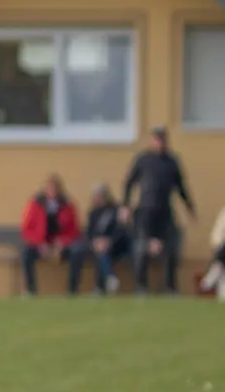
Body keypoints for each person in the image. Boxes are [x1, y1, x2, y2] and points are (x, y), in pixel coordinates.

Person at [120, 126, 195, 295]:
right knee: (141, 248)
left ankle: (170, 287)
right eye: (158, 139)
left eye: (163, 140)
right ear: (152, 141)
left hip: (165, 212)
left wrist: (190, 207)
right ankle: (141, 287)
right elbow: (129, 183)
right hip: (145, 211)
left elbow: (181, 187)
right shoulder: (143, 160)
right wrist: (125, 206)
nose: (160, 143)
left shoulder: (172, 162)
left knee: (170, 248)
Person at [18, 173, 81, 295]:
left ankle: (72, 291)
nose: (51, 191)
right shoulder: (35, 205)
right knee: (26, 253)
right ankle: (31, 290)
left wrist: (61, 242)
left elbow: (74, 231)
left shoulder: (67, 205)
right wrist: (40, 243)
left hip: (60, 245)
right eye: (49, 188)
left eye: (54, 188)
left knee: (76, 253)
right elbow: (26, 230)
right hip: (40, 244)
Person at [79, 182, 130, 294]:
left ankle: (100, 286)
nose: (97, 199)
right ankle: (109, 277)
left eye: (99, 196)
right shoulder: (93, 213)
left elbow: (121, 231)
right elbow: (89, 232)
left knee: (102, 252)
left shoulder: (116, 210)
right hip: (97, 244)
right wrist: (94, 242)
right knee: (99, 251)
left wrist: (109, 241)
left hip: (115, 245)